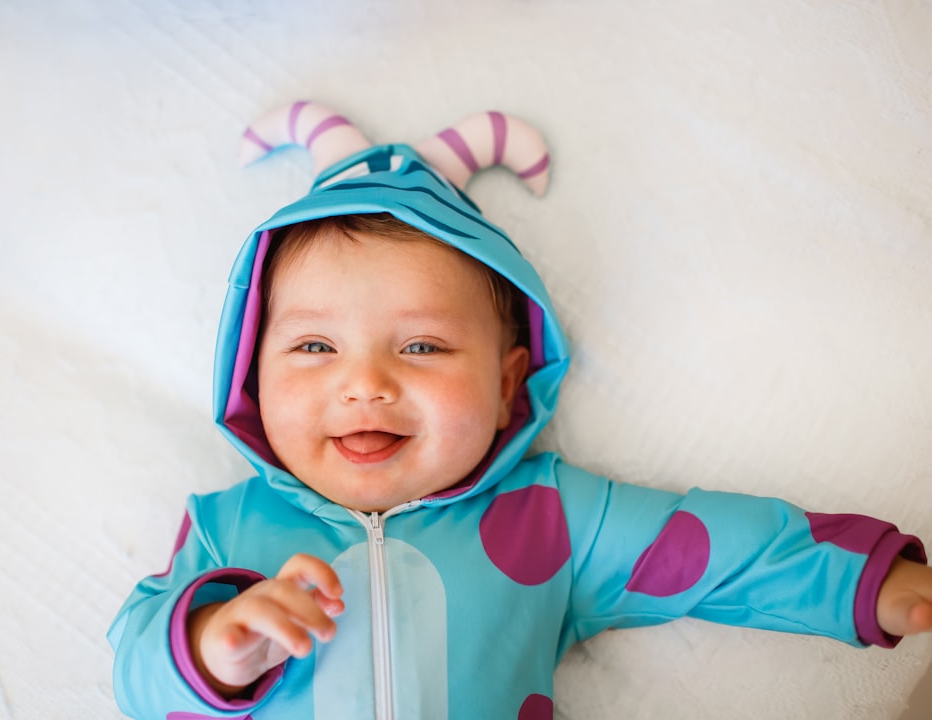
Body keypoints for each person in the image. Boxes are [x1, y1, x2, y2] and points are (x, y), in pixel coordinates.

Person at [108, 103, 932, 720]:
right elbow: (138, 673)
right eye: (315, 349)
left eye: (422, 347)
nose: (365, 385)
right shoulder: (227, 530)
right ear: (251, 378)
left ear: (509, 385)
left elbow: (721, 553)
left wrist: (874, 582)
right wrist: (216, 642)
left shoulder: (551, 518)